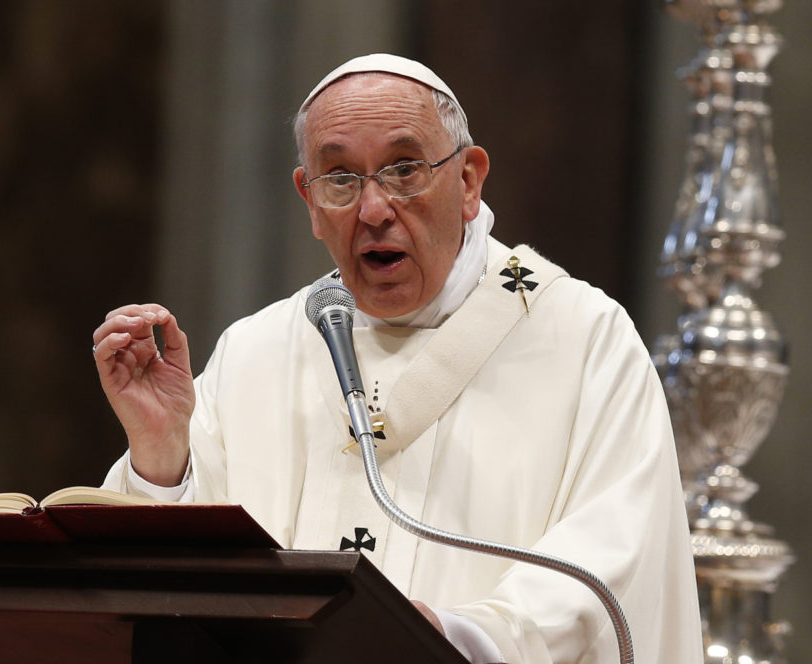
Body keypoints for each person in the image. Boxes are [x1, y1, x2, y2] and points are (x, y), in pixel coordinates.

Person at [92, 53, 702, 664]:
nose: (375, 208)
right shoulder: (259, 349)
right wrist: (162, 455)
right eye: (339, 178)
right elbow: (180, 597)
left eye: (404, 170)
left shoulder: (582, 338)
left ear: (468, 180)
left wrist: (464, 637)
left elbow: (619, 550)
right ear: (308, 198)